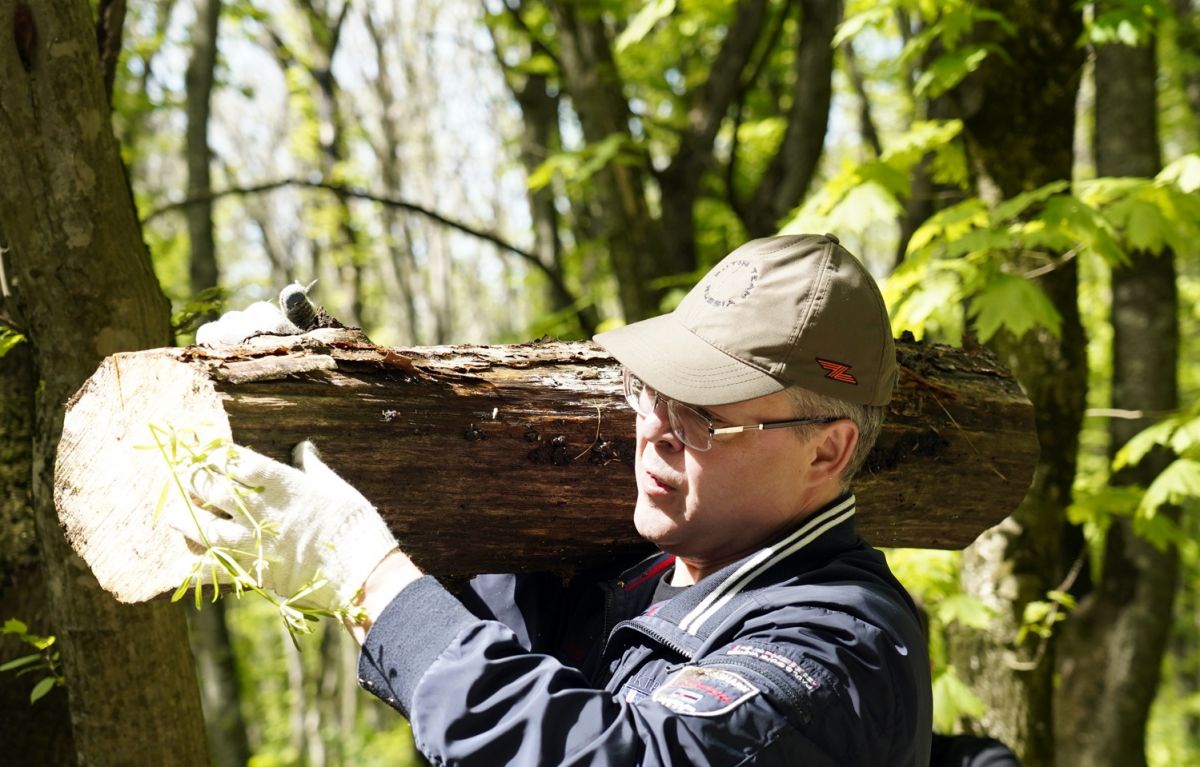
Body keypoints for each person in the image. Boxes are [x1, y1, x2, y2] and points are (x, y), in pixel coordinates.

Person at [189, 233, 933, 765]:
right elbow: (478, 640)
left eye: (704, 414)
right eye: (652, 391)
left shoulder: (845, 647)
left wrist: (363, 571)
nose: (656, 431)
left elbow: (619, 751)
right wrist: (333, 410)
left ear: (827, 448)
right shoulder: (645, 572)